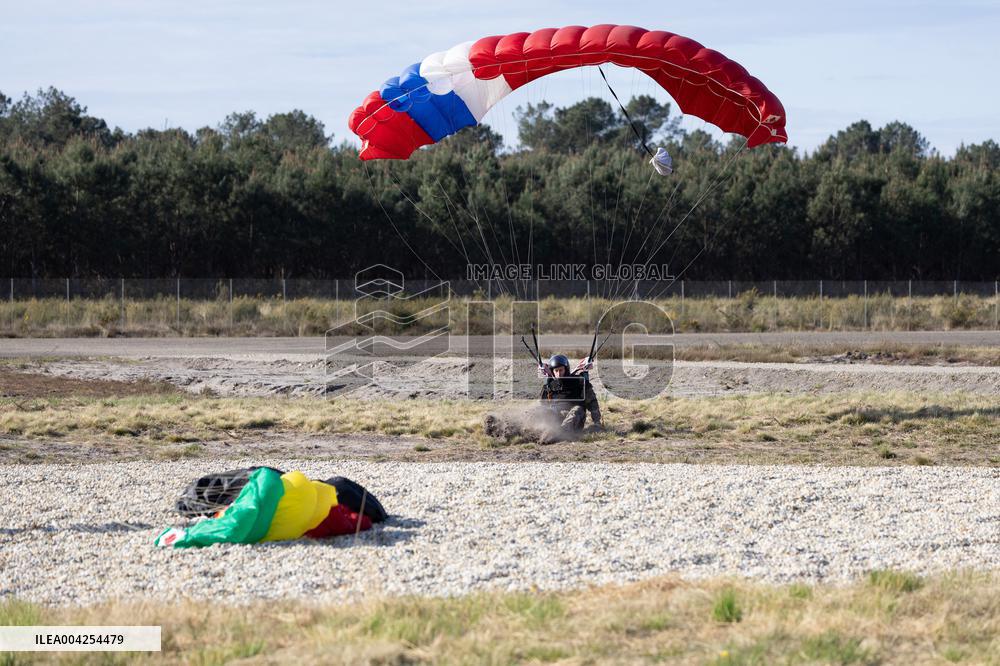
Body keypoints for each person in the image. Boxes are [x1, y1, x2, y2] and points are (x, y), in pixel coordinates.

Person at [539, 353, 602, 431]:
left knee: (577, 410)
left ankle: (561, 433)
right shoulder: (549, 385)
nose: (559, 374)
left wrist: (597, 422)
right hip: (557, 416)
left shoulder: (579, 382)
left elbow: (592, 403)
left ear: (566, 369)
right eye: (556, 371)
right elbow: (543, 406)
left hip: (576, 418)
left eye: (561, 370)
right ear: (552, 371)